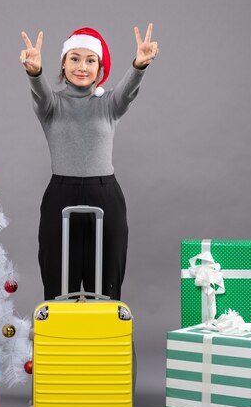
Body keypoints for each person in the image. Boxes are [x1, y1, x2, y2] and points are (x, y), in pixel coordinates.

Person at [21, 25, 158, 301]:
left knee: (107, 286)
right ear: (63, 63)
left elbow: (126, 93)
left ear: (99, 67)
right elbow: (41, 95)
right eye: (74, 58)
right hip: (60, 195)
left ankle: (105, 342)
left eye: (90, 60)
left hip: (104, 195)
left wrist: (139, 66)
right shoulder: (53, 105)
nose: (82, 66)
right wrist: (35, 72)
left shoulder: (108, 104)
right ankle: (61, 342)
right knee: (58, 285)